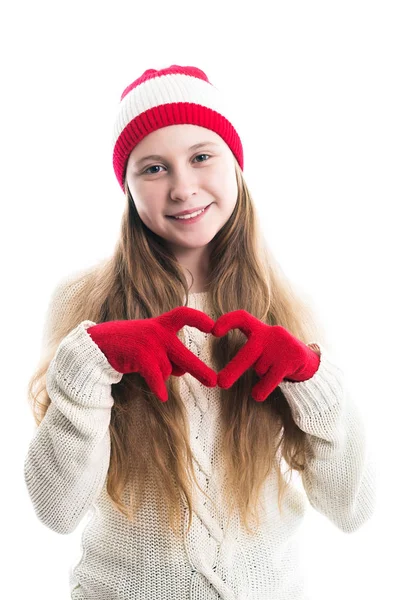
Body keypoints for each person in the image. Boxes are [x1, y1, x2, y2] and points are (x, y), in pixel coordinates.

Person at [24, 64, 376, 600]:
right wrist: (91, 365)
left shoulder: (289, 306)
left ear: (235, 164)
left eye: (201, 156)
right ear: (127, 188)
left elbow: (352, 509)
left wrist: (311, 379)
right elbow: (57, 510)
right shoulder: (83, 304)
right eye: (154, 168)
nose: (183, 187)